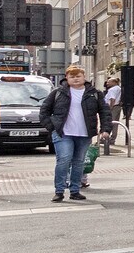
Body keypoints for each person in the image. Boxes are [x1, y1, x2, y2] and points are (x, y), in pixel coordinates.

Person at [40, 62, 102, 203]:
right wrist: (53, 127)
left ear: (84, 77)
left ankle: (75, 190)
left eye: (78, 76)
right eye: (72, 76)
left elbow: (104, 111)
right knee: (64, 161)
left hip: (84, 134)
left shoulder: (94, 94)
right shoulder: (58, 93)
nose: (75, 79)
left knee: (79, 162)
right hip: (63, 133)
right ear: (66, 78)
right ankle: (59, 191)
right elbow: (44, 111)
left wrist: (105, 129)